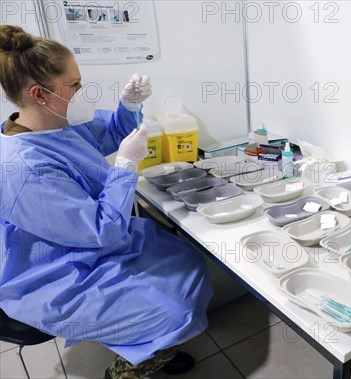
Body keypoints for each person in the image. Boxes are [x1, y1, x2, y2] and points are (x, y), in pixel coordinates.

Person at [0, 25, 213, 378]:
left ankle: (157, 345)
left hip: (89, 244)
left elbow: (111, 132)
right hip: (54, 273)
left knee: (185, 259)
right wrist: (126, 166)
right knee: (175, 309)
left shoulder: (53, 125)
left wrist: (129, 105)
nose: (81, 93)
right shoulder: (23, 168)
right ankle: (130, 368)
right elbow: (102, 231)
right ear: (39, 94)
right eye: (74, 86)